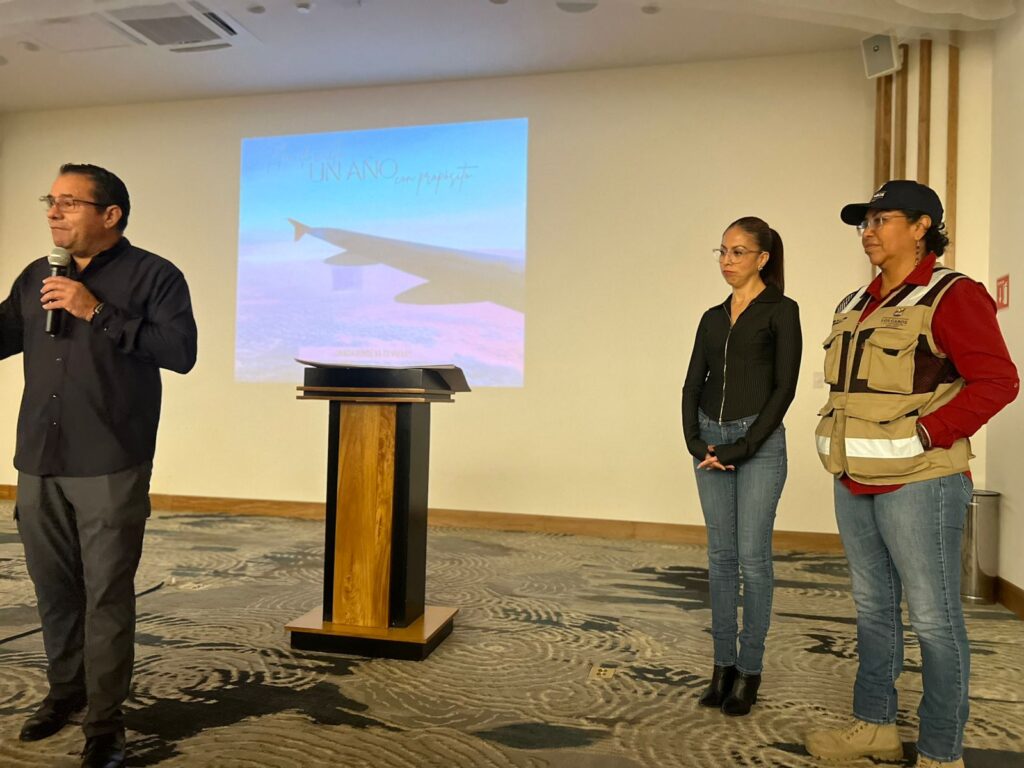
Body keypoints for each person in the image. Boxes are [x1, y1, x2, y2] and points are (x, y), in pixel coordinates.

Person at [806, 180, 1018, 768]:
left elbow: (998, 381)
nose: (868, 231)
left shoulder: (953, 295)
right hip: (853, 478)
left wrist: (930, 433)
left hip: (921, 482)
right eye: (864, 222)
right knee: (873, 608)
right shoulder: (856, 302)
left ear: (923, 226)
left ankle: (940, 750)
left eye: (881, 219)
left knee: (933, 618)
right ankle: (874, 724)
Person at [0, 164, 197, 768]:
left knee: (106, 595)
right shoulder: (38, 275)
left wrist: (96, 311)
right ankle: (66, 692)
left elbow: (180, 352)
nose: (53, 212)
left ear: (111, 215)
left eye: (69, 202)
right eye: (50, 200)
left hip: (110, 459)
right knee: (53, 590)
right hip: (38, 459)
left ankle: (105, 724)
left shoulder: (155, 275)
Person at [681, 216, 801, 716]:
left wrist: (744, 446)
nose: (727, 261)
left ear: (762, 258)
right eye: (723, 252)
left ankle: (749, 671)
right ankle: (722, 667)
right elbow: (693, 382)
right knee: (721, 557)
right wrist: (695, 441)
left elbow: (784, 389)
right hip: (711, 439)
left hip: (760, 443)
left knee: (753, 558)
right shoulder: (712, 317)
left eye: (738, 252)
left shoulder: (782, 311)